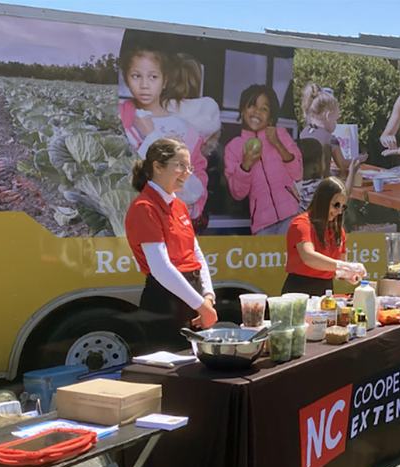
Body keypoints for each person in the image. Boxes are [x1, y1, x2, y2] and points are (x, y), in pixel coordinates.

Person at [124, 138, 218, 350]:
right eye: (180, 165)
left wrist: (208, 296)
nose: (187, 172)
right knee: (171, 373)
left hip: (192, 297)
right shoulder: (144, 207)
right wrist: (201, 306)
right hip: (164, 303)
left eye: (189, 166)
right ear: (157, 166)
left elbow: (196, 254)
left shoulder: (179, 205)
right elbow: (161, 268)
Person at [118, 49, 221, 219]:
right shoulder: (120, 116)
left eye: (153, 77)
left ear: (165, 81)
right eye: (136, 76)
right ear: (126, 79)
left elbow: (192, 193)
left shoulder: (188, 133)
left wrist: (151, 136)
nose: (144, 85)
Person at [223, 84, 303, 235]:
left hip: (292, 215)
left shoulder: (281, 134)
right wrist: (246, 164)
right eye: (252, 106)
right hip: (263, 225)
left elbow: (298, 173)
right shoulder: (233, 147)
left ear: (271, 117)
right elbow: (237, 193)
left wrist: (277, 144)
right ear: (242, 110)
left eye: (264, 109)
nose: (257, 112)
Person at [282, 177, 367, 296]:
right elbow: (308, 256)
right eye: (336, 205)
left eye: (343, 207)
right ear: (323, 201)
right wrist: (345, 266)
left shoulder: (338, 230)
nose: (339, 211)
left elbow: (337, 268)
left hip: (326, 291)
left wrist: (350, 274)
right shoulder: (301, 223)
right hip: (299, 290)